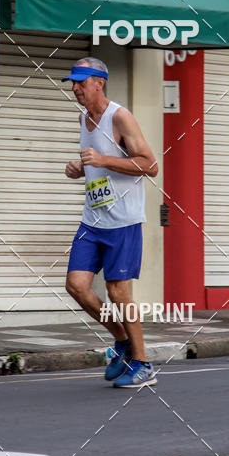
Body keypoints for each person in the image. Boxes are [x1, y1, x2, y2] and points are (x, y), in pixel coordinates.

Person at [62, 58, 159, 388]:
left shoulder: (120, 116)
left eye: (81, 82)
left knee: (118, 293)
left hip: (123, 221)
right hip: (93, 219)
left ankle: (143, 364)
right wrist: (80, 170)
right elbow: (97, 168)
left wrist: (103, 159)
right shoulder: (83, 118)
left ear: (99, 83)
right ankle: (122, 340)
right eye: (73, 83)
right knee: (76, 285)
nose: (75, 88)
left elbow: (150, 165)